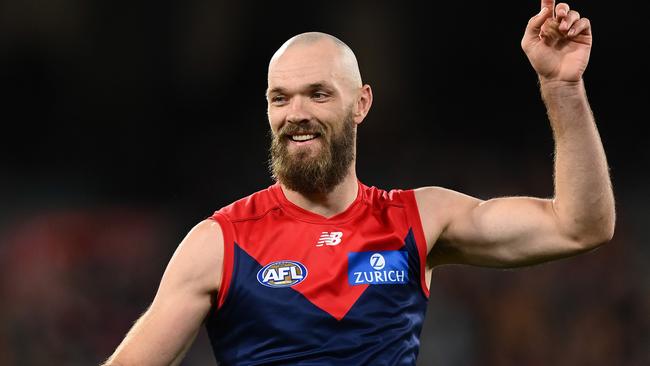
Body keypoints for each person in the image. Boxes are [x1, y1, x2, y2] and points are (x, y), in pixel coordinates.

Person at [102, 1, 615, 364]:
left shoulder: (421, 218)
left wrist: (561, 85)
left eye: (318, 94)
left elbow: (580, 225)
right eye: (280, 98)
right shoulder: (219, 242)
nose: (296, 113)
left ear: (361, 104)